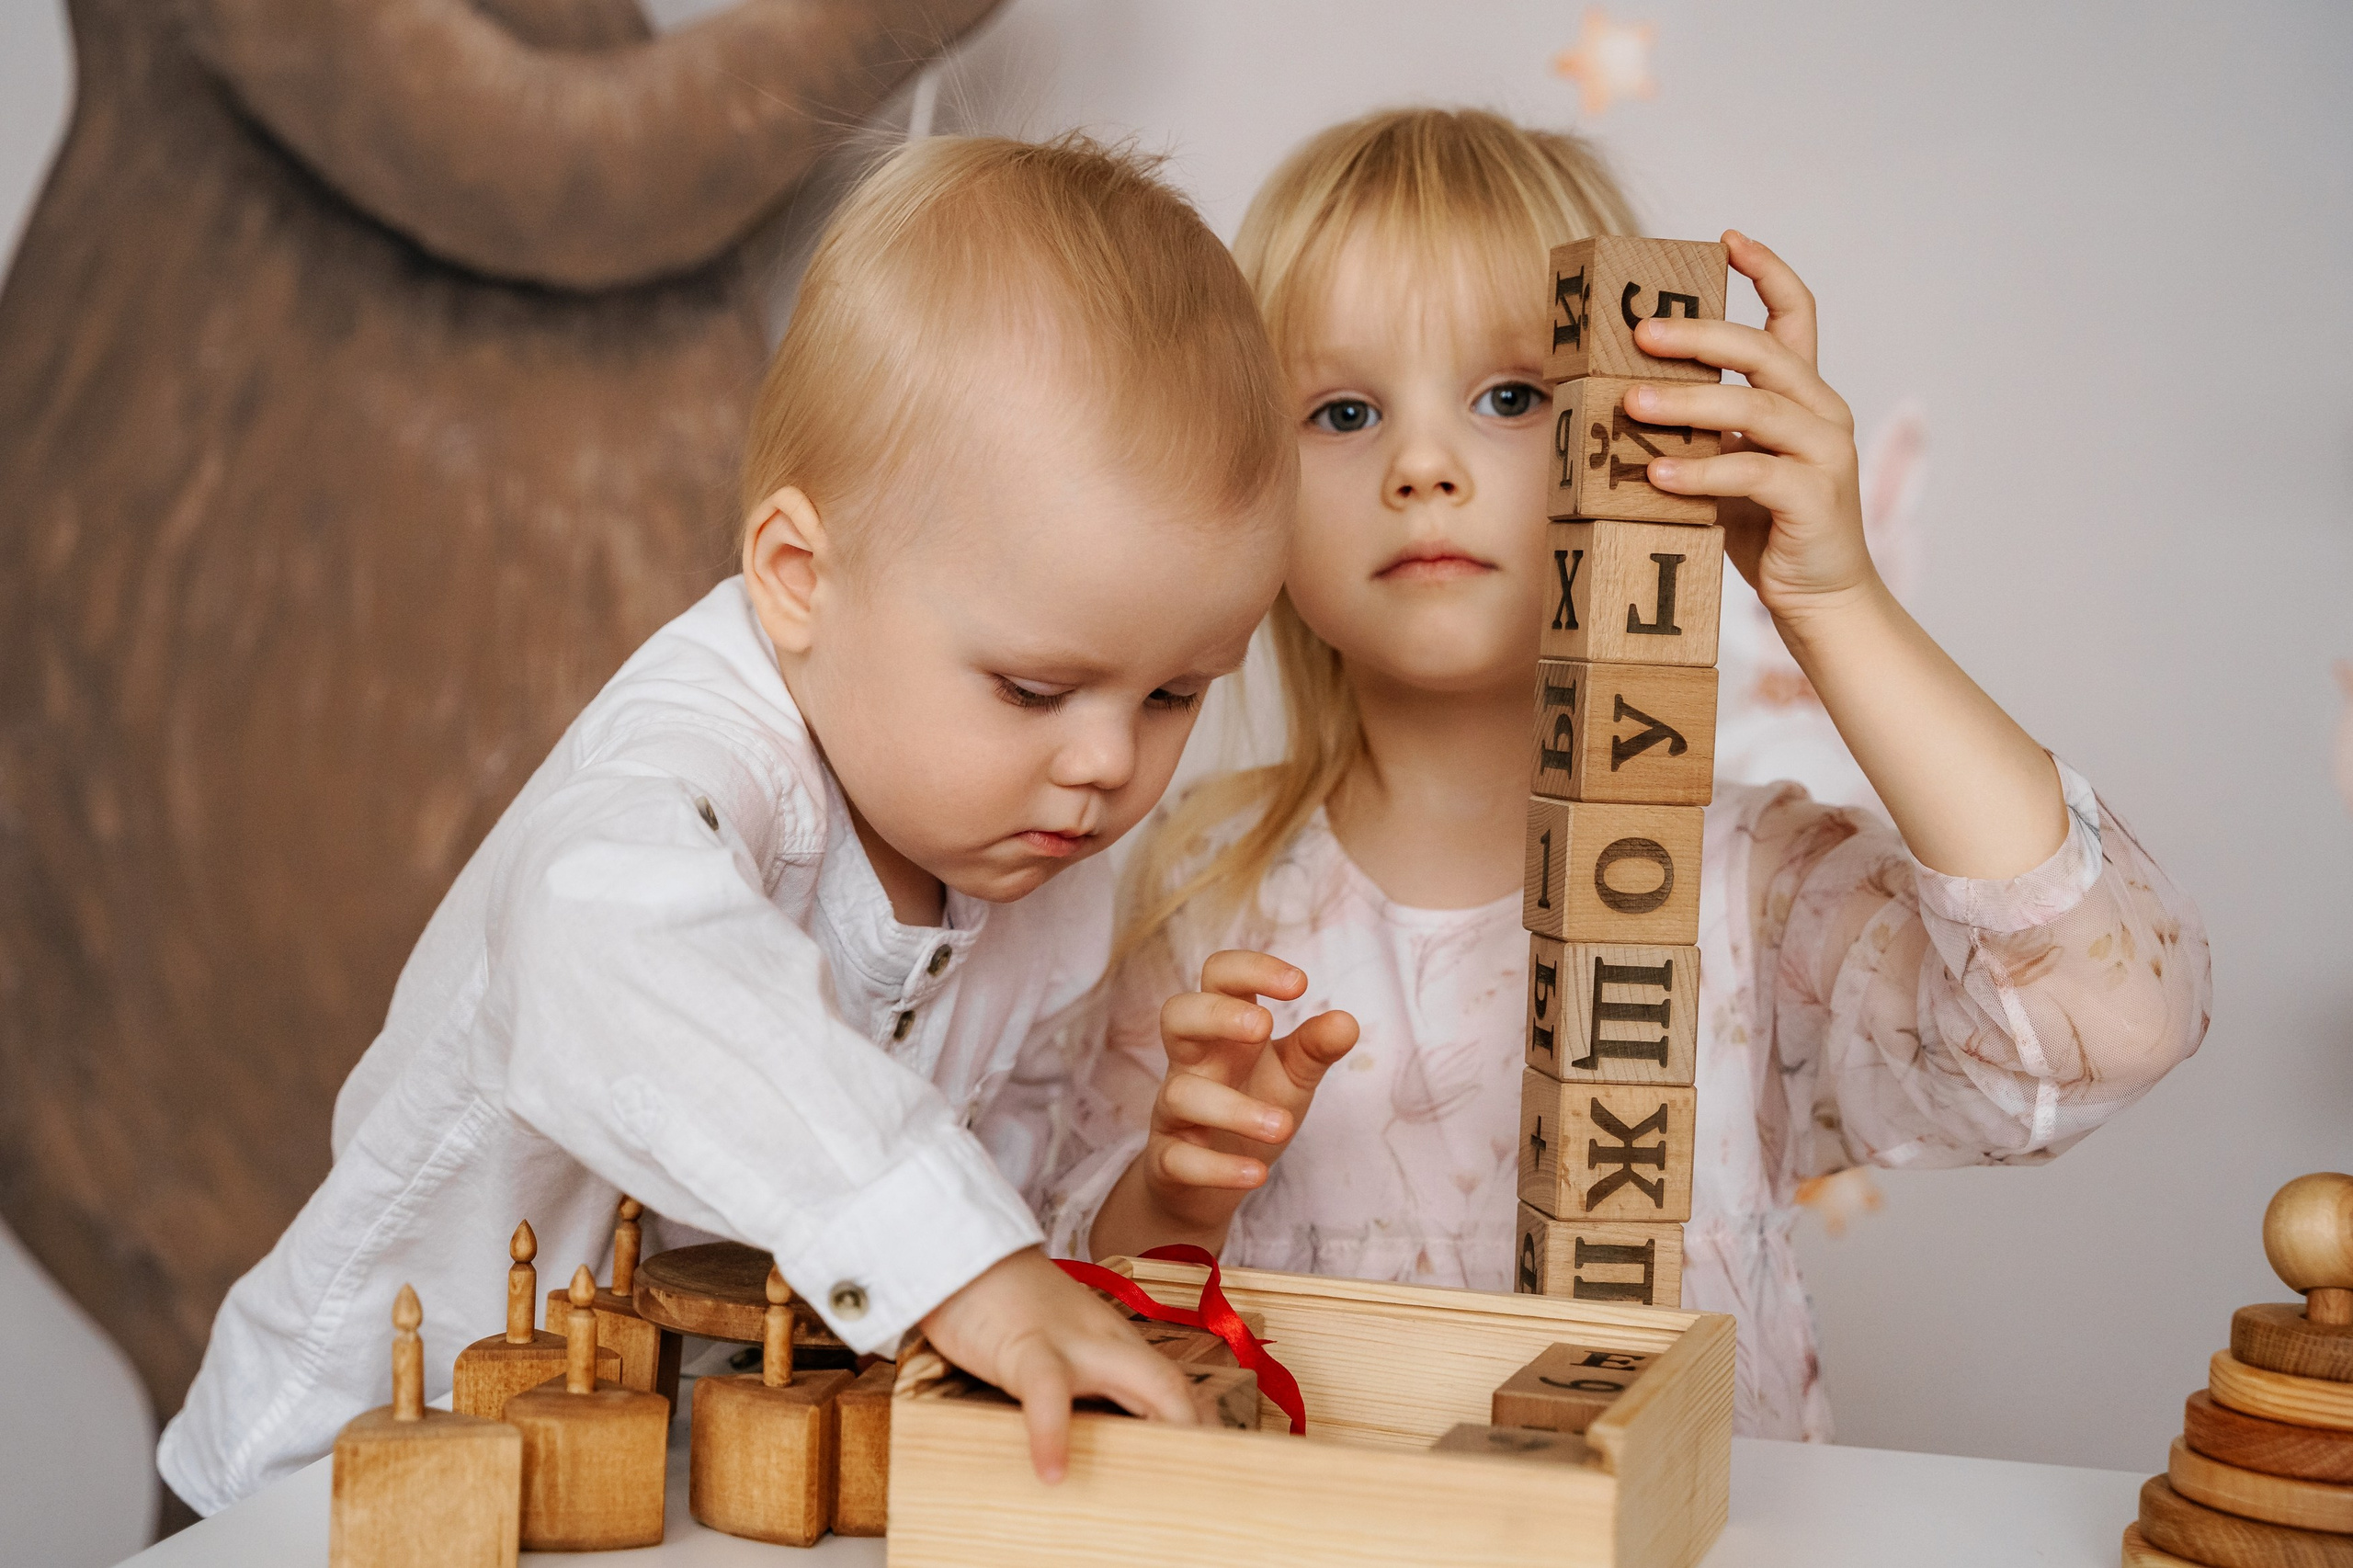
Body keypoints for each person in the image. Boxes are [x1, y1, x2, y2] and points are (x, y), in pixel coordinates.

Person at [159, 132, 1297, 1512]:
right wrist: (956, 1258)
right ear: (800, 577)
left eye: (1178, 692)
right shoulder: (700, 760)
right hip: (348, 1480)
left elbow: (1006, 1224)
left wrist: (1157, 1201)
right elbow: (605, 941)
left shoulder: (1039, 857)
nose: (1110, 763)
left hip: (664, 1497)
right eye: (1033, 686)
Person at [1045, 108, 2211, 1440]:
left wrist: (1830, 598)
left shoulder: (1751, 886)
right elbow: (1067, 1282)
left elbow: (2114, 1022)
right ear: (1248, 479)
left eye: (1511, 396)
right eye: (1344, 410)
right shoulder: (1199, 874)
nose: (1422, 466)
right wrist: (1176, 1199)